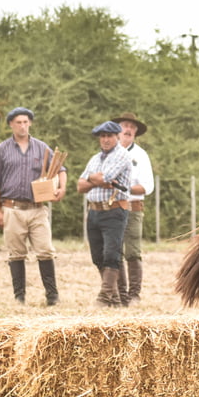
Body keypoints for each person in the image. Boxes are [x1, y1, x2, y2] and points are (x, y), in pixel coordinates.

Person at [0, 107, 67, 306]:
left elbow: (60, 169)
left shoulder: (42, 148)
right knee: (16, 253)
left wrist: (62, 188)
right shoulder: (2, 149)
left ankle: (52, 296)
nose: (22, 125)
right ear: (11, 125)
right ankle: (19, 298)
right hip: (11, 208)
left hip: (38, 208)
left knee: (45, 250)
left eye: (25, 122)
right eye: (18, 122)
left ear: (30, 123)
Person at [76, 120, 133, 307]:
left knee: (111, 253)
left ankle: (105, 296)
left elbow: (103, 178)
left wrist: (92, 178)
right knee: (97, 256)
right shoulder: (95, 159)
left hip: (114, 209)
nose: (106, 140)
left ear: (117, 137)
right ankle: (115, 298)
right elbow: (80, 186)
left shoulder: (122, 155)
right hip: (94, 210)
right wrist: (96, 180)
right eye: (102, 136)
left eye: (109, 136)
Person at [111, 112, 155, 306]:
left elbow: (148, 186)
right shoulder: (108, 154)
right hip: (111, 208)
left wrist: (125, 188)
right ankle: (121, 294)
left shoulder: (141, 155)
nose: (128, 129)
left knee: (133, 251)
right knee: (115, 251)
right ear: (118, 130)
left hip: (133, 208)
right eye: (124, 126)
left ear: (135, 132)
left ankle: (134, 294)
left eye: (132, 127)